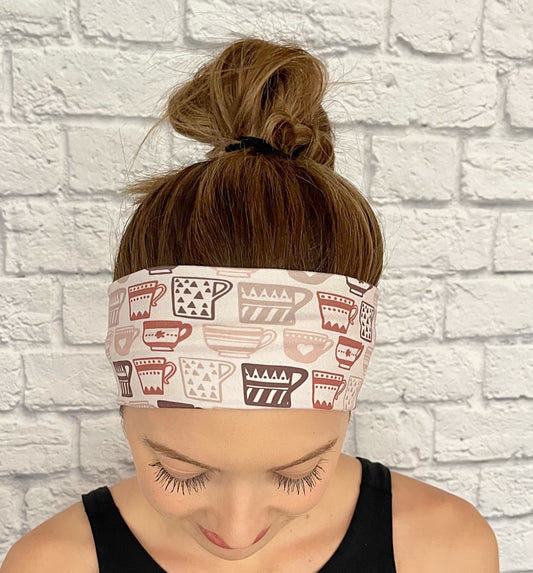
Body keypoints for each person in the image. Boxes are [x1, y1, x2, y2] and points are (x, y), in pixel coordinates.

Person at [2, 37, 499, 573]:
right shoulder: (52, 565)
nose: (238, 533)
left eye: (298, 474)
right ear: (124, 407)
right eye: (179, 473)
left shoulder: (444, 551)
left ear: (346, 406)